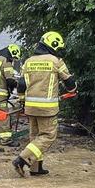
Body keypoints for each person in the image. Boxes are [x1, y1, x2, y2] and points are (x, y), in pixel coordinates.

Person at [12, 31, 76, 177]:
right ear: (52, 45)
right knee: (47, 136)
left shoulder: (28, 61)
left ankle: (36, 168)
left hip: (30, 107)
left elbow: (21, 84)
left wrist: (22, 100)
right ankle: (21, 160)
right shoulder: (56, 61)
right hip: (47, 109)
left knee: (35, 137)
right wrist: (73, 89)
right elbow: (69, 83)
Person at [0, 44, 22, 146]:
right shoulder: (6, 62)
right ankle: (6, 140)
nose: (13, 60)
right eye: (14, 58)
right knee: (3, 116)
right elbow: (10, 80)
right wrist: (19, 85)